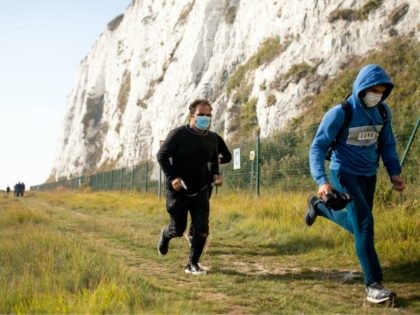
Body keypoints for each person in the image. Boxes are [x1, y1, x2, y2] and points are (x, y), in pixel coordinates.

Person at [307, 64, 405, 304]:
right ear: (361, 88)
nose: (377, 95)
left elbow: (387, 145)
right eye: (373, 90)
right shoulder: (341, 112)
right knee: (364, 224)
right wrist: (322, 180)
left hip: (368, 175)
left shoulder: (383, 113)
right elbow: (317, 147)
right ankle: (373, 285)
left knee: (357, 223)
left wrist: (394, 172)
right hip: (344, 173)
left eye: (382, 91)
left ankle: (318, 207)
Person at [156, 99, 222, 275]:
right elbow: (161, 156)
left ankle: (192, 264)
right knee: (178, 229)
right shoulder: (178, 134)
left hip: (201, 190)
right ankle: (165, 234)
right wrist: (172, 178)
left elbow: (214, 159)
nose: (205, 118)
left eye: (208, 115)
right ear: (192, 116)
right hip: (178, 190)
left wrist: (215, 174)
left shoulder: (211, 138)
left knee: (202, 230)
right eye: (201, 115)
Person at [186, 132, 231, 245]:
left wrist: (214, 161)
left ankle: (193, 235)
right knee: (185, 210)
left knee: (201, 212)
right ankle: (180, 228)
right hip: (187, 181)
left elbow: (228, 157)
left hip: (206, 182)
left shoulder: (214, 138)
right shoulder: (184, 135)